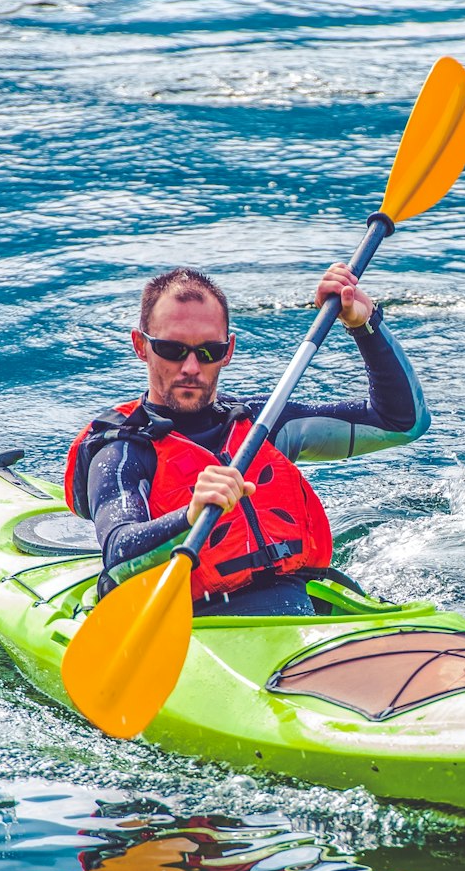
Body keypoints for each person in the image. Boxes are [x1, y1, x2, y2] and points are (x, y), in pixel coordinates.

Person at [64, 263, 429, 616]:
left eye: (209, 352)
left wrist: (365, 325)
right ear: (141, 346)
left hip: (300, 611)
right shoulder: (123, 448)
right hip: (192, 626)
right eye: (173, 350)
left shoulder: (262, 424)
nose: (191, 368)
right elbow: (119, 555)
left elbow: (401, 422)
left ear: (229, 351)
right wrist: (189, 515)